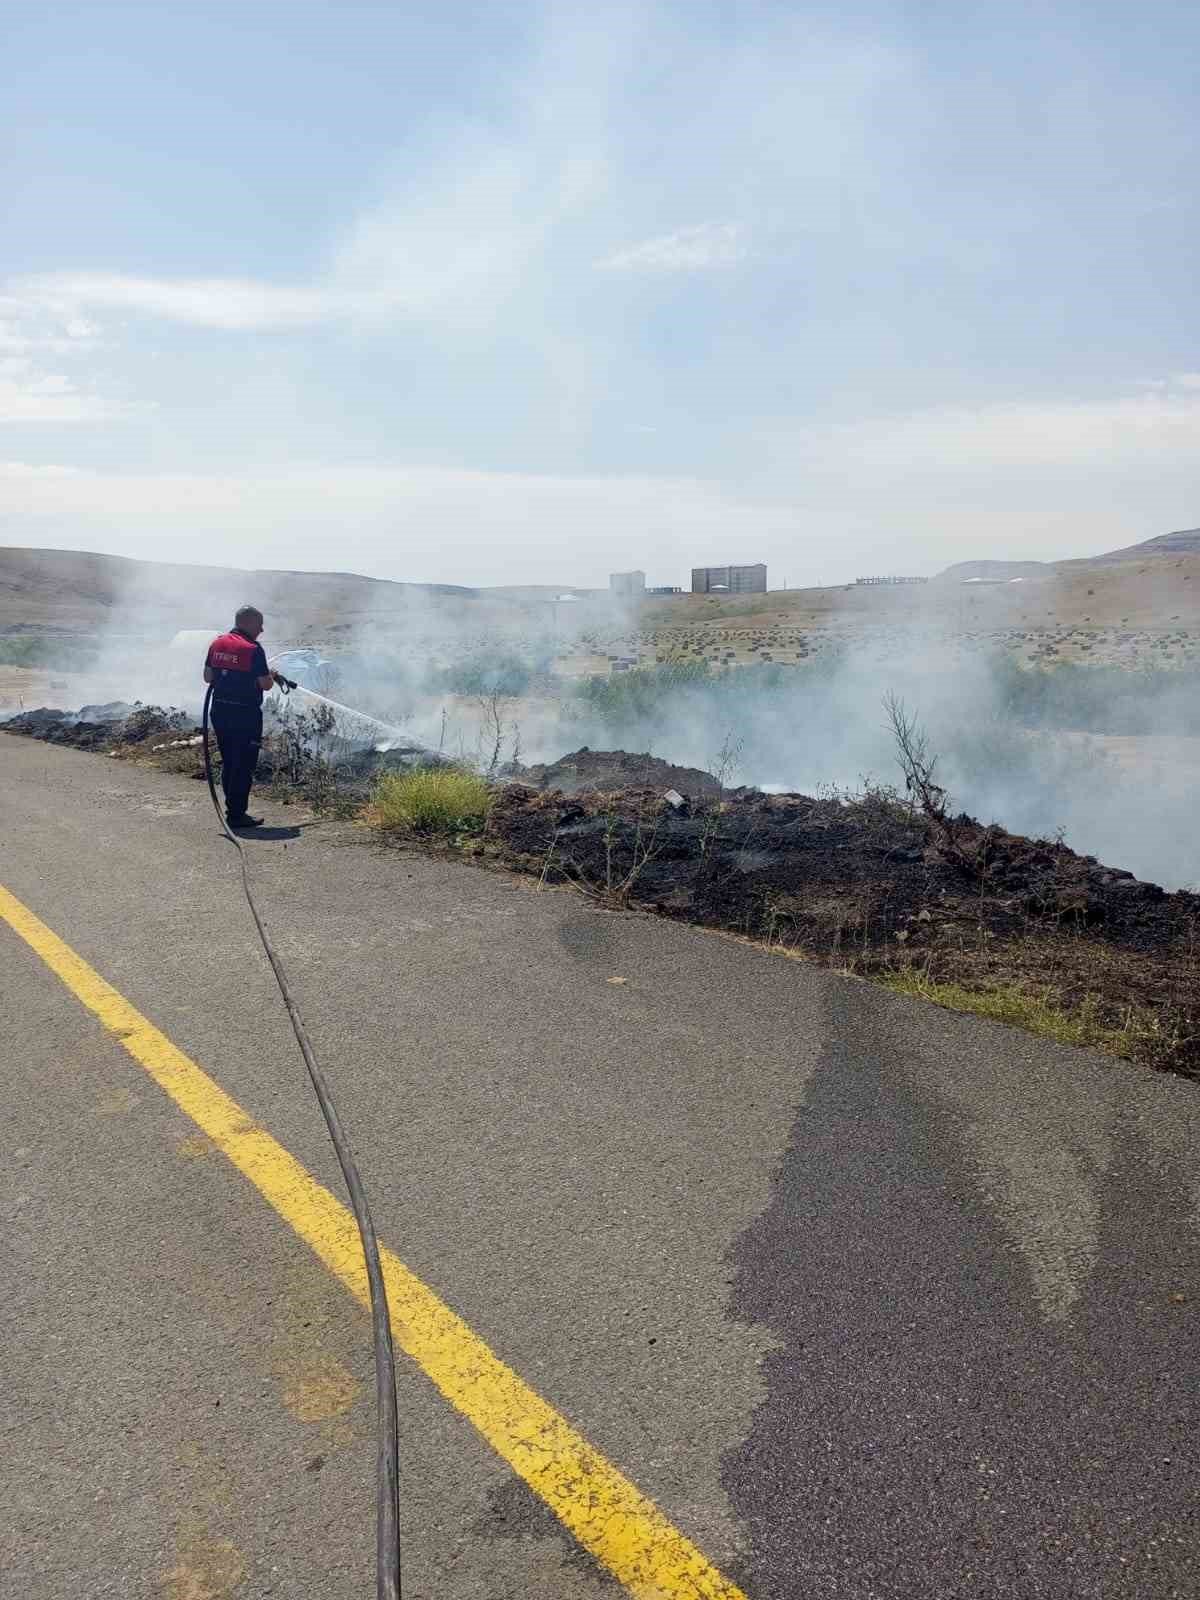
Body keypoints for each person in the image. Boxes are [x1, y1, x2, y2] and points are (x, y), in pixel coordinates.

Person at [203, 605, 281, 828]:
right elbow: (265, 685)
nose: (262, 630)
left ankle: (232, 809)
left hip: (220, 711)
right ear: (248, 623)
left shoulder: (217, 643)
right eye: (259, 625)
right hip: (245, 714)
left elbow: (208, 677)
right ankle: (237, 815)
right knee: (244, 763)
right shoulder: (253, 649)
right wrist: (270, 676)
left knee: (229, 760)